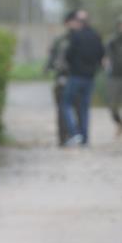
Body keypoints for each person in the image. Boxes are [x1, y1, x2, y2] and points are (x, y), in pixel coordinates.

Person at [61, 10, 104, 147]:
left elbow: (68, 55)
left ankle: (74, 133)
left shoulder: (76, 36)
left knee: (66, 104)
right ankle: (85, 138)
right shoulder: (96, 36)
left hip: (76, 76)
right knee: (85, 108)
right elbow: (101, 55)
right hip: (90, 77)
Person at [45, 11, 81, 146]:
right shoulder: (60, 41)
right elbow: (52, 59)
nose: (75, 24)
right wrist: (50, 67)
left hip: (77, 77)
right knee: (62, 109)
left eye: (76, 21)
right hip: (63, 78)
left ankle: (77, 135)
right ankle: (62, 137)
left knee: (78, 109)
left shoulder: (81, 39)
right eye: (72, 21)